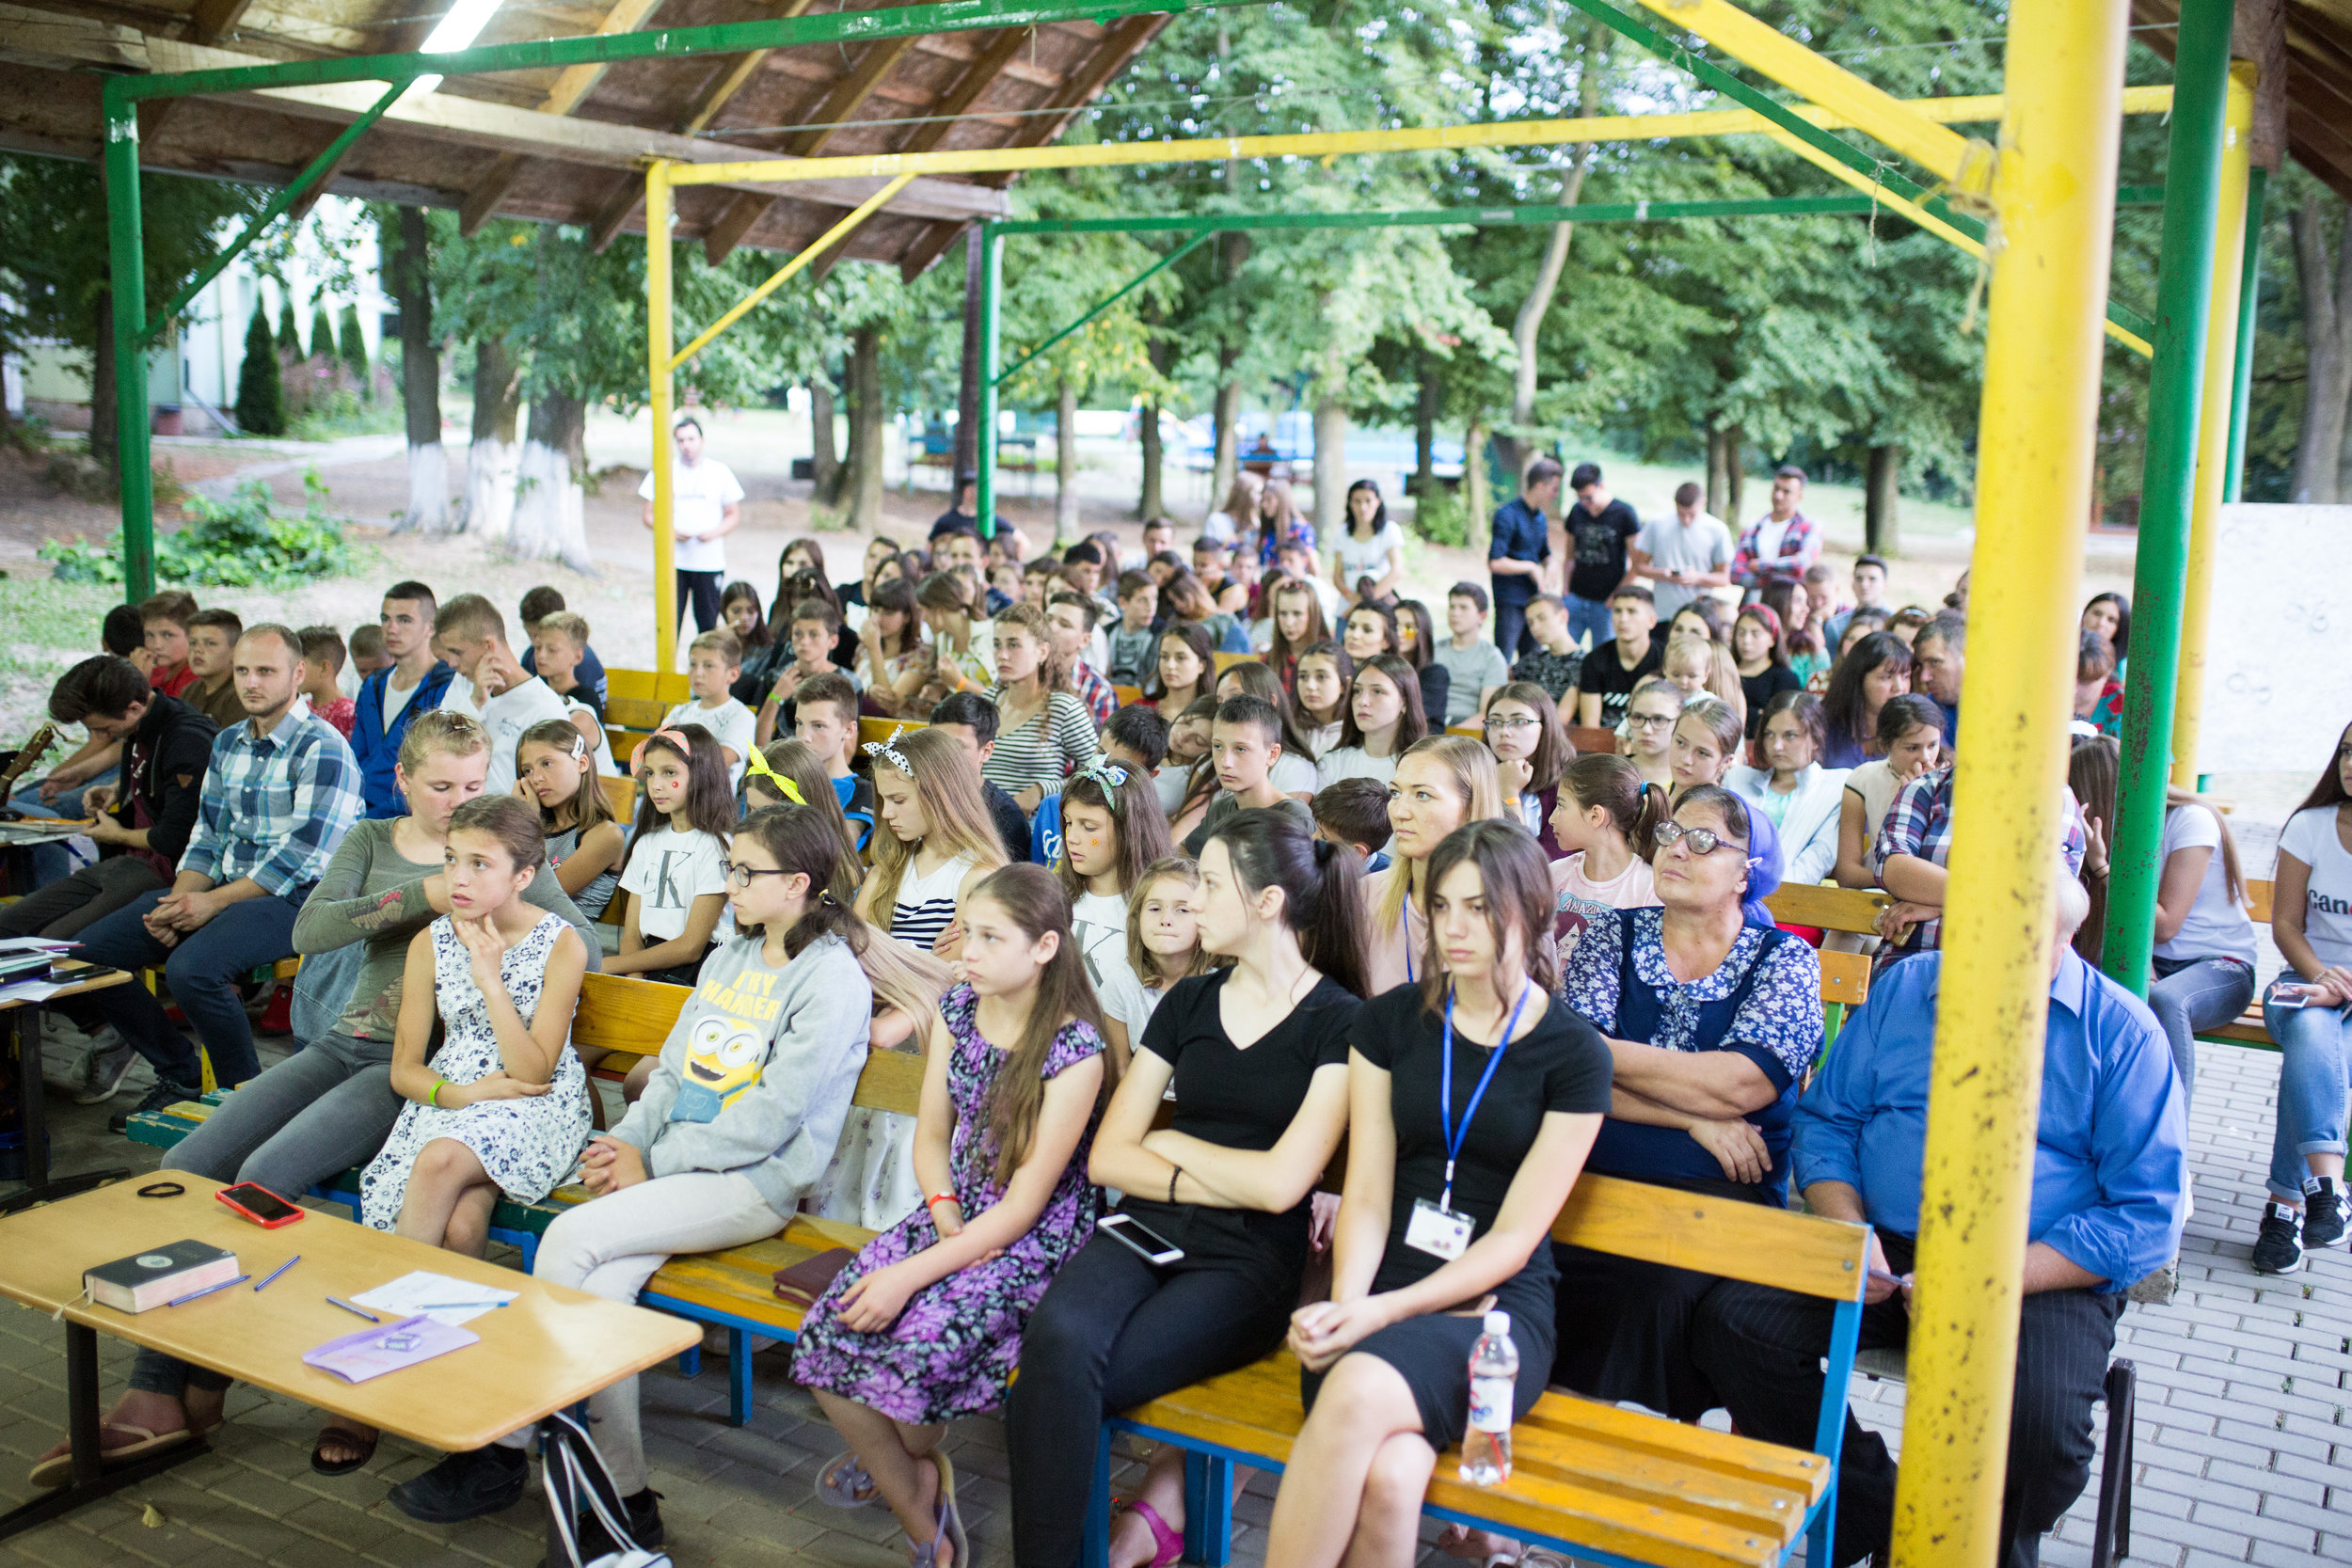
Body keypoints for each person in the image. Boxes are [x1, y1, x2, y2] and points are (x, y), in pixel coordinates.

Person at [25, 736, 599, 1493]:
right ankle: (170, 1378)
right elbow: (308, 932)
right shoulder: (375, 841)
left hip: (417, 1072)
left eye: (471, 784)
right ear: (404, 780)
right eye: (440, 786)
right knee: (186, 1165)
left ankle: (193, 1385)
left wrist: (485, 923)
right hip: (346, 1041)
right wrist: (421, 895)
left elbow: (573, 949)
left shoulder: (497, 848)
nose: (458, 801)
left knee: (261, 1179)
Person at [1692, 875, 2186, 1568]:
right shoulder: (1907, 989)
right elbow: (1828, 1122)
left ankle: (1979, 1546)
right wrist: (1849, 1228)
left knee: (2038, 1430)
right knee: (1734, 1325)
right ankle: (1889, 1514)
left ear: (2064, 939)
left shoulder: (2121, 1030)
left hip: (2034, 1267)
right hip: (1888, 1244)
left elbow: (2146, 1212)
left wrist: (1990, 1276)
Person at [509, 802, 878, 1550]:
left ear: (798, 882)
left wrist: (651, 1161)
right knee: (600, 1290)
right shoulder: (731, 956)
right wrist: (624, 1140)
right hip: (677, 1168)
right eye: (730, 868)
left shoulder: (830, 978)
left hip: (754, 1184)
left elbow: (774, 1115)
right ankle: (624, 1498)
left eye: (744, 872)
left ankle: (515, 1434)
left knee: (570, 1241)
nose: (729, 883)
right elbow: (673, 1072)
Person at [1010, 810, 1363, 1568]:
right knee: (1057, 1342)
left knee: (1068, 1378)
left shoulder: (1339, 1021)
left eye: (1208, 883)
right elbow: (1110, 1157)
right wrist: (1195, 1169)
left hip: (1248, 1260)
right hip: (1147, 1225)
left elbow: (1282, 1186)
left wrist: (1172, 1145)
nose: (1194, 900)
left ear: (1267, 901)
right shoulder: (1191, 1001)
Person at [1262, 823, 1609, 1568]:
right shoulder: (1389, 1020)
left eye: (1480, 907)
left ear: (1534, 911)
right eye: (1442, 904)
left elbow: (1514, 1238)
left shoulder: (1574, 1053)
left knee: (1357, 1391)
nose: (1454, 926)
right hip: (1379, 1279)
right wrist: (1349, 1305)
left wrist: (1375, 1316)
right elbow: (1367, 1190)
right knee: (1392, 1476)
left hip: (1496, 1312)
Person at [792, 865, 1111, 1568]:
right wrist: (941, 1212)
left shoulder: (1075, 1048)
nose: (968, 950)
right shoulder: (958, 1008)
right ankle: (915, 1493)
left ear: (1045, 947)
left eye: (992, 937)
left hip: (1032, 1239)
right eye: (968, 932)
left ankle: (911, 1489)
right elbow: (933, 1135)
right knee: (825, 1336)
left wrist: (912, 1273)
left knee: (913, 1349)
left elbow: (1026, 1205)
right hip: (953, 1210)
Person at [1551, 785, 1821, 1418]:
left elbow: (1744, 1085)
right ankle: (1547, 1431)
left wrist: (1603, 1054)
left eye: (1704, 841)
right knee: (1537, 1260)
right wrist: (1694, 1118)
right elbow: (1569, 1071)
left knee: (1657, 1285)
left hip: (1718, 1192)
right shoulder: (1613, 935)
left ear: (1746, 873)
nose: (1676, 848)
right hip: (1592, 1176)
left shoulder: (1783, 958)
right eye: (1672, 833)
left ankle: (1600, 1443)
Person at [364, 798, 592, 1523]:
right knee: (462, 1227)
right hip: (458, 1098)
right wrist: (461, 1093)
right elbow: (405, 1068)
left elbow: (534, 1070)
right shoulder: (429, 941)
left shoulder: (560, 943)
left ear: (524, 874)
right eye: (451, 859)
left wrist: (491, 976)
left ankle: (383, 1341)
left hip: (534, 1105)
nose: (458, 877)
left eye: (479, 863)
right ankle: (471, 1416)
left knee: (436, 1164)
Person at [69, 626, 361, 1122]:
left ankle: (242, 1100)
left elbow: (303, 858)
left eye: (265, 671)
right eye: (243, 670)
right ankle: (180, 1072)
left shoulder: (322, 747)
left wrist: (211, 903)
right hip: (229, 889)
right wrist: (179, 901)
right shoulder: (228, 742)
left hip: (304, 899)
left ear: (297, 674)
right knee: (92, 952)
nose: (252, 682)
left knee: (193, 970)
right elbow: (207, 837)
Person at [0, 658, 216, 953]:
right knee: (8, 924)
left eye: (103, 729)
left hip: (169, 871)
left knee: (53, 944)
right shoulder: (140, 725)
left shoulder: (186, 740)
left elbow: (173, 837)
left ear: (134, 708)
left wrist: (117, 835)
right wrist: (119, 790)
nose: (102, 737)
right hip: (127, 862)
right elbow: (160, 783)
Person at [2250, 722, 2352, 1272]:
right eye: (2347, 752)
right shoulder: (2310, 826)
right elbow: (2286, 924)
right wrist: (2323, 980)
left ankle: (2286, 1208)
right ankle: (2328, 1191)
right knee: (2313, 1033)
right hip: (2304, 982)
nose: (2351, 764)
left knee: (2312, 1060)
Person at [1875, 743, 2088, 960]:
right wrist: (1993, 895)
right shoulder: (1926, 788)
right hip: (1912, 957)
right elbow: (1894, 870)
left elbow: (2042, 897)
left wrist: (1939, 904)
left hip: (2007, 961)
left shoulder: (2054, 797)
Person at [2139, 784, 2257, 1114]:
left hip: (2219, 964)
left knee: (2165, 1000)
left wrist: (2104, 869)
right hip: (2153, 961)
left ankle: (2170, 1134)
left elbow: (2165, 926)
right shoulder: (2107, 821)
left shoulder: (2191, 819)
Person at [1361, 736, 1507, 993]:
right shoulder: (1364, 893)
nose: (1399, 811)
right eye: (1395, 793)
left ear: (1470, 807)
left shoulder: (1512, 909)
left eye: (1422, 795)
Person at [1060, 757, 1176, 1058]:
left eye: (1089, 827)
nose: (1072, 838)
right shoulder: (1055, 898)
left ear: (1129, 830)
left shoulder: (1159, 911)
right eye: (1069, 823)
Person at [605, 725, 732, 984]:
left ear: (701, 775)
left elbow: (691, 946)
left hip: (695, 971)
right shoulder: (647, 843)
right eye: (650, 773)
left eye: (669, 773)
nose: (655, 785)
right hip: (646, 964)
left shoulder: (716, 846)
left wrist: (609, 964)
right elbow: (631, 935)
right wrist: (636, 981)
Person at [431, 594, 568, 797]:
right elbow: (434, 748)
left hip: (505, 814)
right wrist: (474, 703)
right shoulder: (464, 682)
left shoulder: (545, 708)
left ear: (488, 646)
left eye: (457, 652)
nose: (451, 663)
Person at [351, 581, 455, 818]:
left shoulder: (447, 687)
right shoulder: (373, 684)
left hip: (410, 818)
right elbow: (356, 757)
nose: (392, 629)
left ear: (430, 626)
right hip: (358, 814)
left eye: (404, 620)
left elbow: (440, 773)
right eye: (385, 619)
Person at [981, 603, 1098, 812]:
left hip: (1034, 825)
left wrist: (1041, 790)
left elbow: (1100, 771)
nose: (1002, 655)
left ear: (1042, 652)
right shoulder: (988, 699)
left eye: (1014, 645)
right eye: (997, 644)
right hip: (980, 818)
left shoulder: (1063, 708)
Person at [1727, 690, 1850, 885]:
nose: (1776, 746)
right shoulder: (1738, 780)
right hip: (1728, 890)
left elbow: (1820, 856)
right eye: (1769, 734)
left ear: (1815, 738)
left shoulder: (1835, 787)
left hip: (1790, 894)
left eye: (1790, 735)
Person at [1549, 752, 1666, 956]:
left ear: (1595, 815)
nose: (1552, 819)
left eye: (1561, 805)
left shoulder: (1650, 890)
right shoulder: (1553, 874)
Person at [640, 415, 743, 636]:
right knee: (669, 623)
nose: (686, 445)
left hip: (709, 561)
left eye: (691, 439)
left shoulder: (719, 472)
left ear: (702, 441)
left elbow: (733, 515)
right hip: (674, 561)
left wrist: (714, 533)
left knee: (707, 625)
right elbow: (648, 515)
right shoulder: (663, 470)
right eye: (681, 440)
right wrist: (671, 532)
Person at [1834, 694, 1946, 894]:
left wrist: (1921, 800)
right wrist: (1894, 880)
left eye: (1933, 745)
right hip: (1878, 889)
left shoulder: (1951, 782)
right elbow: (1847, 873)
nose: (1925, 757)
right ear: (1885, 745)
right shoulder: (1863, 778)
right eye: (1912, 748)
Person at [519, 719, 627, 922]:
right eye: (528, 770)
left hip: (568, 937)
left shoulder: (606, 835)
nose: (536, 778)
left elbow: (542, 897)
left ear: (582, 763)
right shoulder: (536, 827)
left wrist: (526, 823)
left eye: (547, 764)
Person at [927, 693, 1036, 864]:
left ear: (986, 751)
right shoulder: (915, 796)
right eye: (936, 744)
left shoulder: (1005, 816)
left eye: (957, 747)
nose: (943, 755)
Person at [1314, 654, 1428, 791]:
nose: (1363, 701)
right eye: (1357, 691)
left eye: (1378, 691)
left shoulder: (1423, 767)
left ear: (1404, 702)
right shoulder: (1332, 763)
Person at [1482, 681, 1569, 855]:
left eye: (1519, 721)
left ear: (1545, 726)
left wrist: (1509, 794)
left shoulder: (1570, 784)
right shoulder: (1474, 775)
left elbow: (1537, 862)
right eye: (1495, 721)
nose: (1504, 731)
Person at [1629, 481, 1733, 625]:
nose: (1686, 520)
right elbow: (1639, 567)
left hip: (1698, 615)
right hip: (1662, 613)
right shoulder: (1657, 524)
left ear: (1703, 503)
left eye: (1691, 514)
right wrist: (1664, 574)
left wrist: (1697, 577)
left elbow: (1724, 578)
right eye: (1681, 514)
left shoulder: (1718, 530)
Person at [1486, 456, 1560, 658]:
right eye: (1553, 489)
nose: (1556, 495)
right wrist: (1531, 567)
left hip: (1534, 600)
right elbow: (1495, 562)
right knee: (1503, 658)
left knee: (1533, 659)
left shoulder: (1540, 518)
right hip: (1510, 600)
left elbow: (1544, 553)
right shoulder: (1507, 515)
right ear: (1539, 486)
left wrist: (1551, 563)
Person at [528, 610, 615, 773]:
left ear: (577, 657)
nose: (541, 655)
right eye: (537, 647)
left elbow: (557, 745)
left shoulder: (586, 701)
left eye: (552, 649)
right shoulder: (537, 694)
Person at [1567, 584, 1663, 730]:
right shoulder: (1594, 660)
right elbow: (1591, 728)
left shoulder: (1665, 659)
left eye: (1632, 611)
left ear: (1651, 621)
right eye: (1617, 611)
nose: (1622, 619)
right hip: (1603, 739)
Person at [1819, 630, 1913, 769]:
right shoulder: (1823, 725)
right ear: (1859, 679)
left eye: (1905, 676)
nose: (1899, 688)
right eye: (1886, 677)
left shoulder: (1916, 727)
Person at [1431, 583, 1510, 727]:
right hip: (1430, 719)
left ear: (1482, 616)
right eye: (1452, 607)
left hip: (1467, 727)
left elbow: (1487, 714)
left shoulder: (1492, 657)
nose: (1455, 613)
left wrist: (1450, 734)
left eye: (1464, 607)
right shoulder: (1433, 649)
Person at [1729, 465, 1820, 590]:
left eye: (1786, 492)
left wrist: (1761, 566)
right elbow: (1734, 572)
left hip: (1789, 599)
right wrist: (1777, 579)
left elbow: (1802, 563)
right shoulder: (1753, 527)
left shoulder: (1808, 527)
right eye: (1776, 488)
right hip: (1754, 598)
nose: (1778, 496)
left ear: (1799, 496)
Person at [516, 585, 610, 706]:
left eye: (552, 649)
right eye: (530, 635)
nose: (535, 644)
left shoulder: (581, 663)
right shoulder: (531, 654)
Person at [1730, 603, 1802, 737]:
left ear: (1772, 639)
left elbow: (1780, 723)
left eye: (1755, 634)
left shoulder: (1784, 678)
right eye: (1741, 633)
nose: (1746, 641)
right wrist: (1756, 713)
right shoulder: (1726, 672)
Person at [1046, 592, 1118, 724]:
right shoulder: (1022, 671)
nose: (1051, 627)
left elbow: (1101, 738)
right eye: (1048, 619)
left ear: (1084, 640)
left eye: (1064, 624)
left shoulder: (1100, 692)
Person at [1333, 479, 1406, 605]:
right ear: (1350, 503)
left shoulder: (1389, 530)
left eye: (1368, 501)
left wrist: (1367, 601)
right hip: (1348, 603)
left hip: (1378, 602)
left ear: (1378, 502)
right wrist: (1352, 598)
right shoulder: (1342, 533)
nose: (1363, 507)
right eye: (1357, 501)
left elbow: (1396, 570)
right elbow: (1337, 575)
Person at [1508, 593, 1582, 704]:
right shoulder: (1533, 660)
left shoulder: (1584, 663)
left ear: (1563, 616)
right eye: (1530, 623)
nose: (1535, 628)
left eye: (1542, 618)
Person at [1666, 694, 1743, 800]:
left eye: (1702, 753)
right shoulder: (1655, 796)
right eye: (1680, 743)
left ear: (1726, 761)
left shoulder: (1721, 810)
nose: (1686, 759)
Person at [181, 609, 246, 730]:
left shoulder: (240, 695)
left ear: (235, 652)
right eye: (193, 643)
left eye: (210, 643)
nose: (197, 650)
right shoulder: (190, 690)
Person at [1263, 578, 1330, 695]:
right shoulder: (1269, 659)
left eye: (1297, 613)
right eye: (1283, 613)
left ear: (1312, 614)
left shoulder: (1330, 657)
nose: (1289, 623)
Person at [1761, 578, 1829, 689]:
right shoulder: (1755, 644)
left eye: (1806, 602)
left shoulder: (1813, 652)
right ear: (1778, 602)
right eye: (1798, 601)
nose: (1806, 609)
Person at [1619, 676, 1684, 792]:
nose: (1646, 730)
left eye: (1659, 719)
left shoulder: (1690, 781)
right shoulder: (1614, 773)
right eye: (1637, 717)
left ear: (1680, 722)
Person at [1312, 777, 1392, 867]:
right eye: (1315, 827)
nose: (1312, 838)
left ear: (1357, 852)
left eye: (1324, 837)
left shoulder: (1385, 875)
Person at [1910, 612, 1965, 742]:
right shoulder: (1929, 709)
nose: (1924, 677)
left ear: (1965, 657)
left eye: (1935, 662)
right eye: (1921, 666)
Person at [1293, 640, 1351, 758]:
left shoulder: (1353, 735)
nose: (1310, 686)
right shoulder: (1290, 729)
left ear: (1344, 685)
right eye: (1303, 676)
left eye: (1321, 677)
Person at [296, 626, 356, 737]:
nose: (293, 672)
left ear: (324, 668)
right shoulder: (301, 709)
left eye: (299, 665)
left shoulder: (348, 715)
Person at [1821, 553, 1891, 648]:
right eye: (1859, 579)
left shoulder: (1894, 623)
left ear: (1885, 585)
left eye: (1872, 579)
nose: (1864, 585)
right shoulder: (1835, 626)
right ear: (1852, 585)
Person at [1106, 572, 1161, 688]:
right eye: (1143, 600)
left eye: (1154, 598)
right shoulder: (1107, 633)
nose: (1151, 607)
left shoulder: (1161, 634)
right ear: (1122, 603)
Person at [2073, 629, 2123, 738]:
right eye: (2068, 679)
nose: (2073, 688)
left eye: (2084, 682)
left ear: (2107, 674)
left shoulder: (2124, 709)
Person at [2081, 591, 2130, 681]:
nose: (2101, 623)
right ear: (2085, 613)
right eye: (2097, 613)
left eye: (2111, 620)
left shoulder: (2124, 668)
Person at [1202, 472, 1259, 545]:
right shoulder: (1216, 520)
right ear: (1244, 495)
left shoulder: (1255, 523)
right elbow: (1206, 548)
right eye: (1257, 493)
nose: (1261, 498)